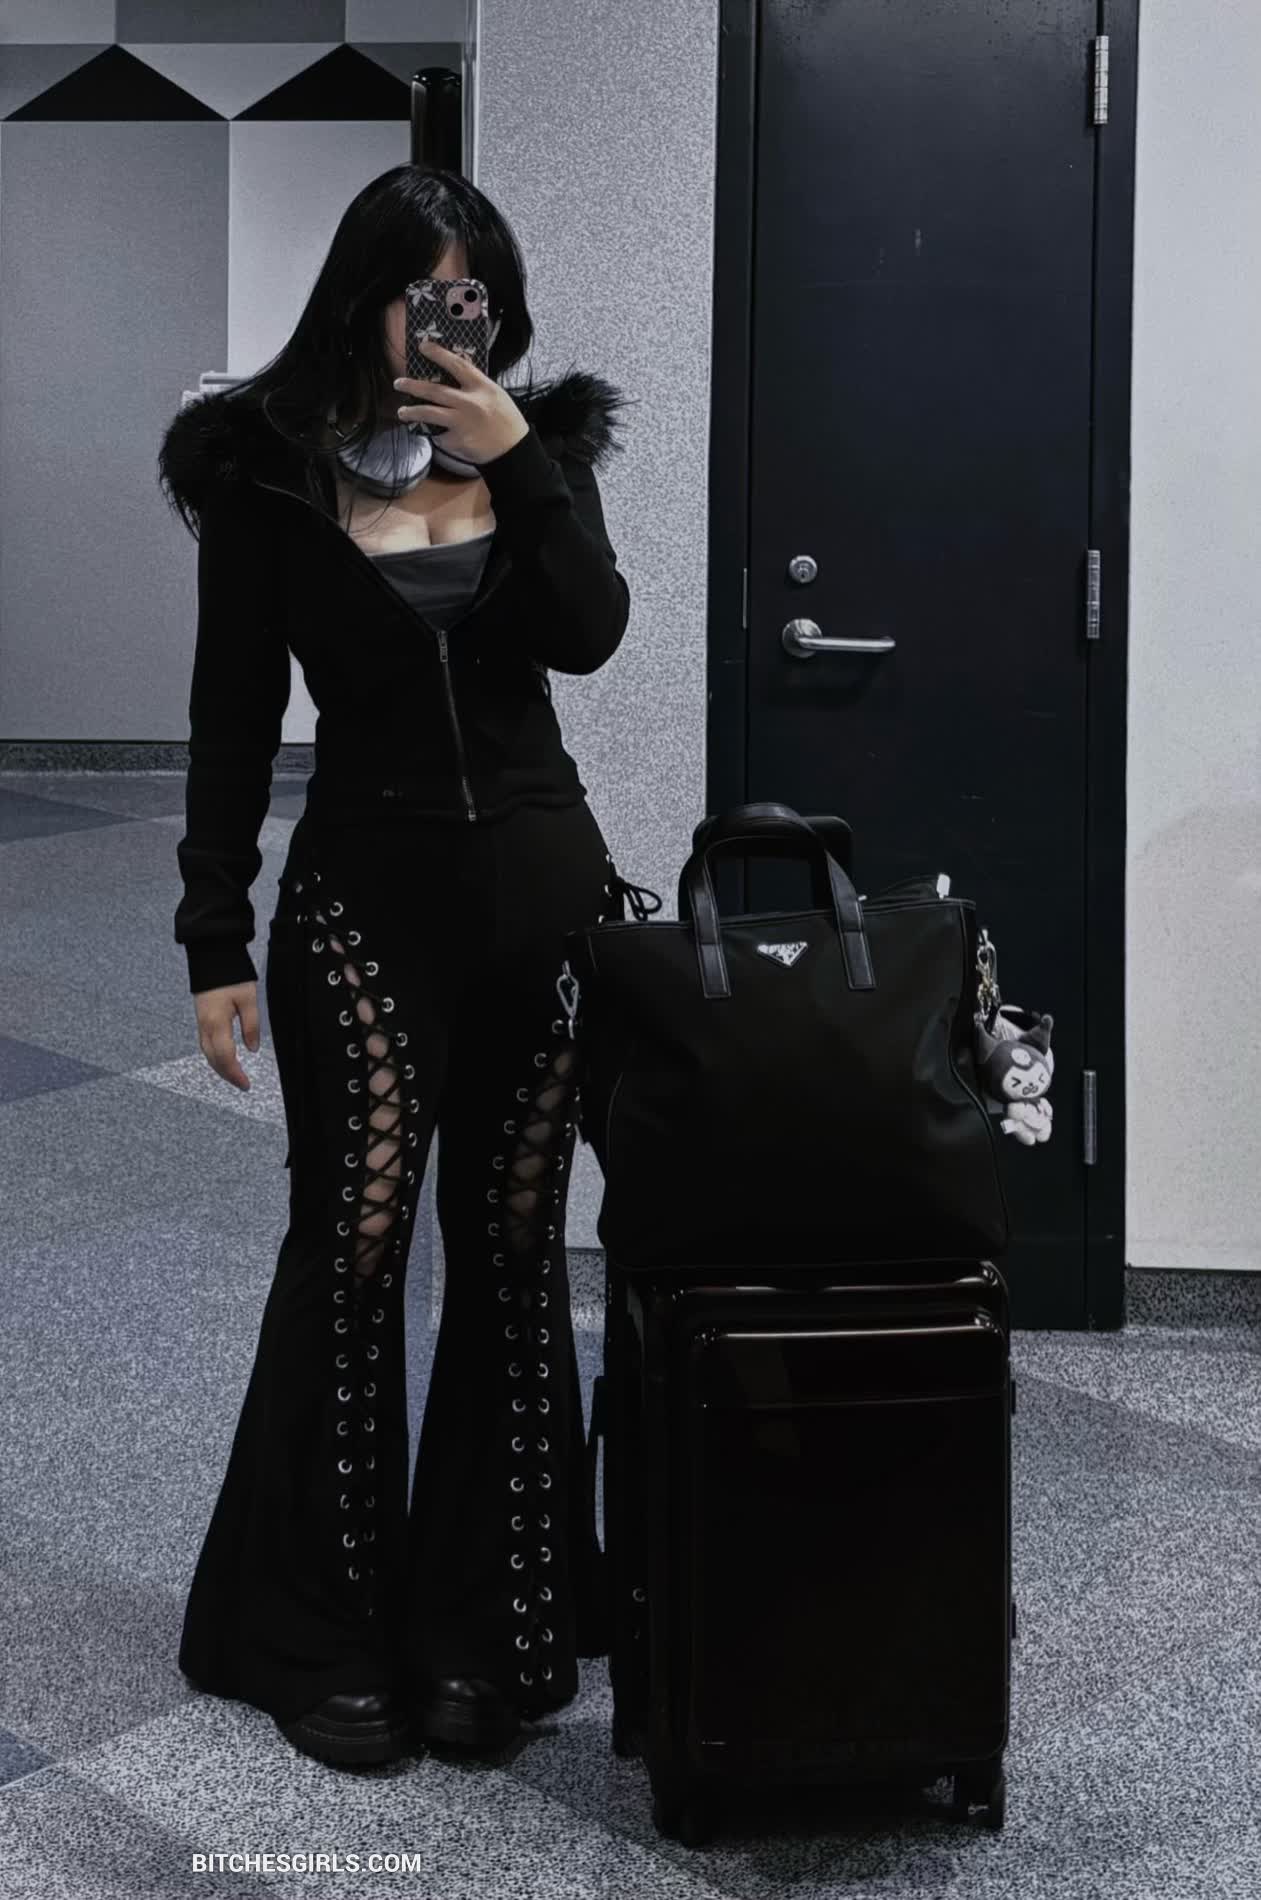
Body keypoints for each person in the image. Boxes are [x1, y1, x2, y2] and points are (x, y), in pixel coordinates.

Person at [156, 164, 639, 1768]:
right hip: (360, 893)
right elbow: (233, 712)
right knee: (353, 1242)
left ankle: (487, 1633)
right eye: (419, 290)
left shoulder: (538, 447)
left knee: (509, 1249)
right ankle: (319, 1633)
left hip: (539, 887)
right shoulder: (265, 468)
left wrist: (520, 463)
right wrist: (212, 934)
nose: (446, 319)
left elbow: (586, 634)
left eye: (471, 293)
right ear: (362, 296)